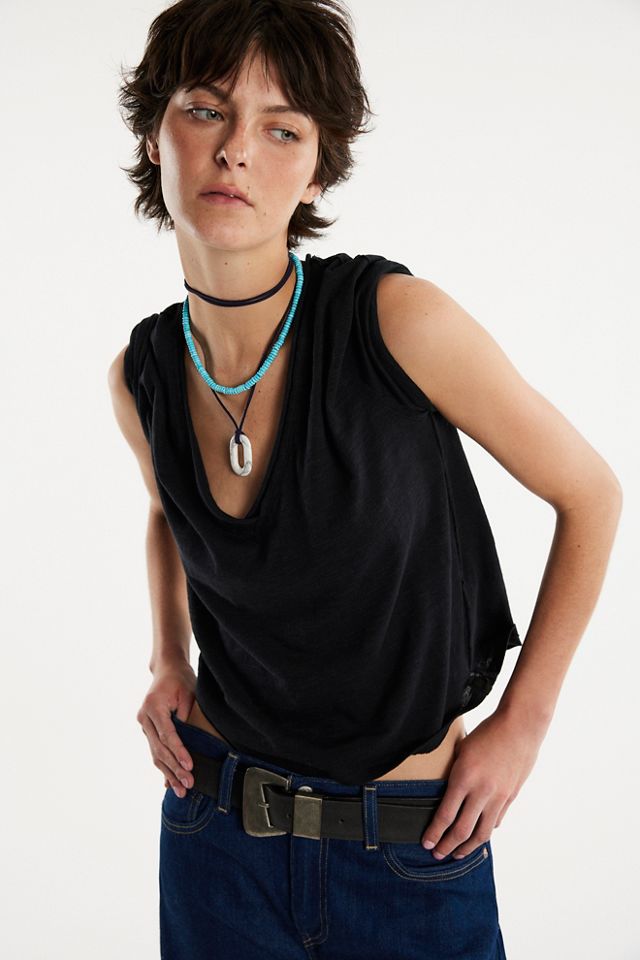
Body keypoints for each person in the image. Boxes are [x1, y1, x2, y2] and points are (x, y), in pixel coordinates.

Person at [109, 1, 623, 957]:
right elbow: (165, 511)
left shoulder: (395, 321)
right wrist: (167, 657)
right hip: (217, 834)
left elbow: (589, 493)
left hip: (413, 848)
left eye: (282, 129)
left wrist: (523, 722)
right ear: (154, 135)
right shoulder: (139, 373)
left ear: (317, 169)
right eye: (206, 110)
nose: (235, 151)